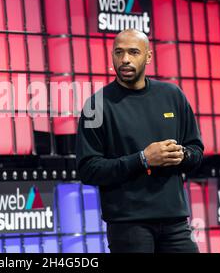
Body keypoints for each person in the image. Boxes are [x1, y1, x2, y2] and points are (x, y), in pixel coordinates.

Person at [76, 29, 204, 253]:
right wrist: (143, 159)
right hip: (128, 226)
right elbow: (88, 169)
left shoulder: (172, 95)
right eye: (119, 52)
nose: (125, 59)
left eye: (133, 52)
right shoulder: (96, 105)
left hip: (175, 222)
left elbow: (196, 151)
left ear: (148, 56)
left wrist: (182, 155)